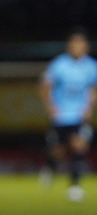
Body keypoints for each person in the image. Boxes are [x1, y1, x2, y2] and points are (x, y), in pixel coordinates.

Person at [39, 31, 97, 203]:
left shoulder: (91, 66)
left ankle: (74, 186)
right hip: (61, 116)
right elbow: (45, 86)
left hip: (79, 115)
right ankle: (50, 168)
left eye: (80, 44)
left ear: (85, 47)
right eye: (74, 44)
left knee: (79, 146)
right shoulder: (59, 64)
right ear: (69, 46)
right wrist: (50, 107)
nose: (77, 47)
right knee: (58, 150)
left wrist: (90, 107)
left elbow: (94, 88)